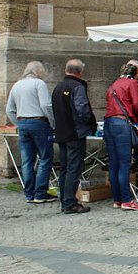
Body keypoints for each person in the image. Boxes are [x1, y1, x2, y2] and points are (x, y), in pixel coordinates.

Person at [6, 61, 57, 204]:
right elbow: (46, 105)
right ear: (38, 72)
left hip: (23, 123)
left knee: (27, 161)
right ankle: (40, 193)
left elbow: (9, 110)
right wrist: (52, 122)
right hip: (39, 123)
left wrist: (18, 123)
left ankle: (29, 193)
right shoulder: (39, 84)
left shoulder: (17, 85)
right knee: (45, 158)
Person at [52, 59, 96, 215]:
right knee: (73, 168)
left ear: (66, 70)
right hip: (75, 133)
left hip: (62, 132)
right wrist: (91, 122)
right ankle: (70, 202)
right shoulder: (77, 87)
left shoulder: (58, 87)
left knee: (64, 169)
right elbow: (82, 110)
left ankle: (64, 199)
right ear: (79, 72)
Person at [104, 62, 138, 211]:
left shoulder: (113, 84)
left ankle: (117, 199)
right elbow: (137, 104)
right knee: (124, 164)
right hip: (121, 123)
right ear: (134, 73)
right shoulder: (132, 83)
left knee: (114, 164)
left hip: (109, 123)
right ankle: (127, 200)